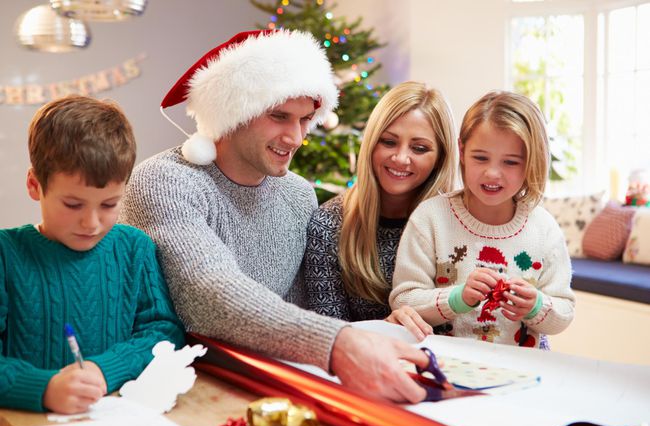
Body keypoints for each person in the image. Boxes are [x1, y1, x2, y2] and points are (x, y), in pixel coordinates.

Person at [119, 29, 429, 403]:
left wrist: (375, 334)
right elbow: (209, 294)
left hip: (270, 387)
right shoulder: (166, 180)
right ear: (232, 110)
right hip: (178, 389)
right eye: (279, 116)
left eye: (305, 119)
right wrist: (341, 342)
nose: (296, 138)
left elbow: (299, 313)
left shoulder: (298, 195)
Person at [0, 95, 185, 414]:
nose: (91, 222)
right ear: (34, 185)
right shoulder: (6, 254)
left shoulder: (134, 249)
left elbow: (163, 332)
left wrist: (105, 369)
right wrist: (42, 387)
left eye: (109, 204)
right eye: (73, 205)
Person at [390, 90, 576, 348]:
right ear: (462, 151)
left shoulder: (543, 228)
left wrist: (536, 306)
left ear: (531, 162)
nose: (492, 173)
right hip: (444, 366)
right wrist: (457, 298)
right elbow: (403, 300)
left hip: (521, 374)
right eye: (480, 158)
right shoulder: (431, 218)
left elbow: (564, 312)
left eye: (510, 162)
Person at [304, 81, 458, 340]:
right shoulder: (329, 224)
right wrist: (385, 329)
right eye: (388, 142)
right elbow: (327, 339)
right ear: (371, 143)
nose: (400, 158)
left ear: (441, 157)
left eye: (419, 148)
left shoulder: (462, 223)